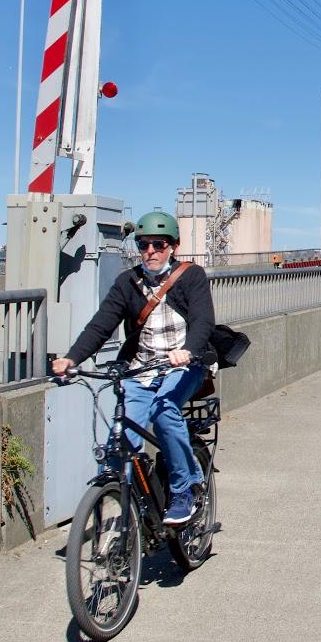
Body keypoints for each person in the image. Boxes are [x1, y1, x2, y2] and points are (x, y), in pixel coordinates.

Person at [52, 210, 217, 526]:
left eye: (159, 244)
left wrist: (188, 351)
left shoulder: (191, 276)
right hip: (141, 368)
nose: (151, 251)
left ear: (173, 246)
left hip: (184, 366)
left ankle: (185, 489)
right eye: (144, 245)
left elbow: (203, 321)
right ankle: (127, 504)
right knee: (122, 439)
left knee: (165, 409)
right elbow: (101, 325)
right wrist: (72, 358)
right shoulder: (127, 282)